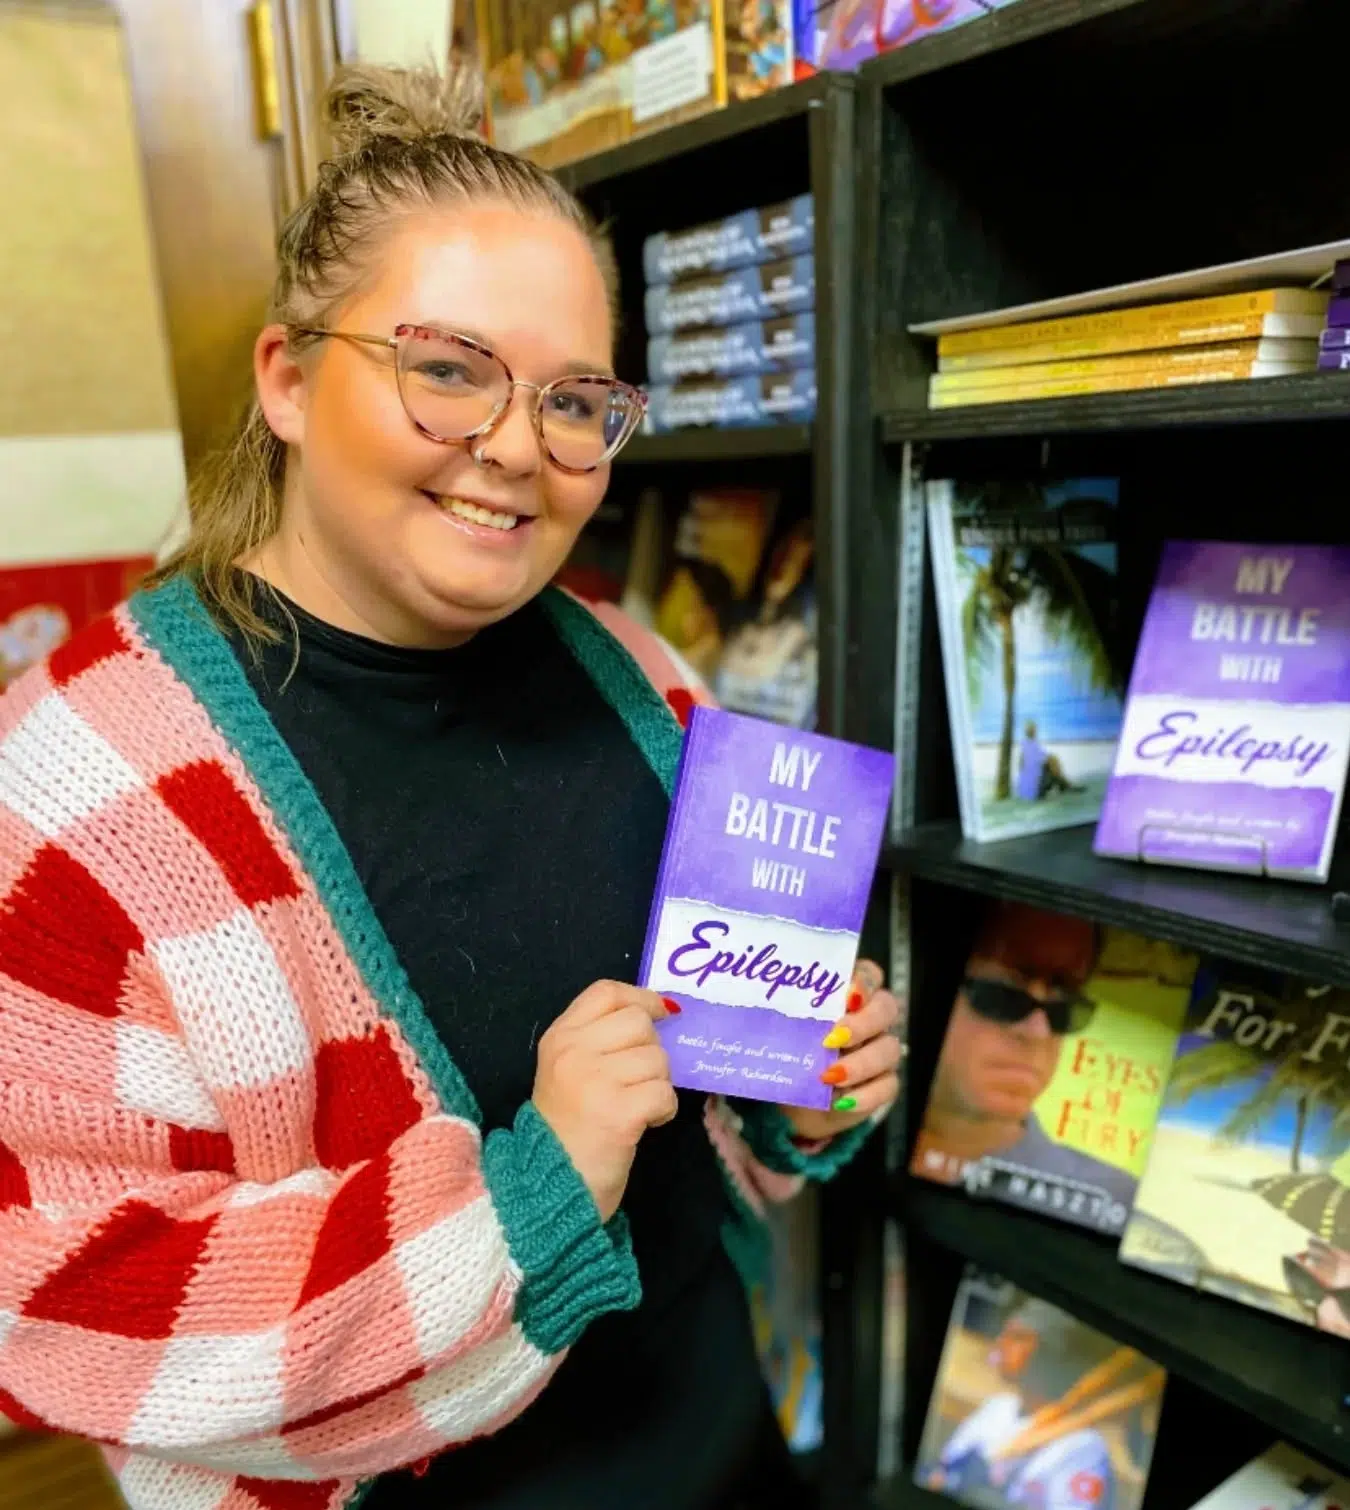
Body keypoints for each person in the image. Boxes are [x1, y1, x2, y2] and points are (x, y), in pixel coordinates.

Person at [0, 64, 902, 1510]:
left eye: (572, 402)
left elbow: (702, 1101)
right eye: (446, 367)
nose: (509, 447)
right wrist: (530, 1190)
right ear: (287, 378)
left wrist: (804, 1080)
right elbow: (67, 1305)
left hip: (723, 1445)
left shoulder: (640, 669)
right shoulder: (74, 784)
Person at [912, 901, 1134, 1210]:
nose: (1037, 1032)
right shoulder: (832, 1134)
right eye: (1002, 994)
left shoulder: (1111, 1202)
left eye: (1064, 1008)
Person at [1015, 721, 1083, 802]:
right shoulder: (1032, 746)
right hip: (1035, 792)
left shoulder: (1025, 746)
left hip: (1025, 791)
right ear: (1033, 731)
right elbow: (1045, 761)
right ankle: (1064, 785)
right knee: (1052, 761)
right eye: (1034, 730)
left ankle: (1064, 785)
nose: (1035, 732)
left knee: (1051, 762)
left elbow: (1023, 767)